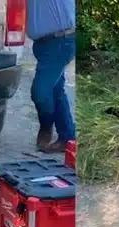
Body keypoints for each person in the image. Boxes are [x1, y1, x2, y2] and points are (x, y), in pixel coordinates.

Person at [28, 0, 76, 153]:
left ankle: (46, 125)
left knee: (40, 92)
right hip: (44, 44)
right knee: (56, 90)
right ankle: (67, 137)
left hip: (60, 41)